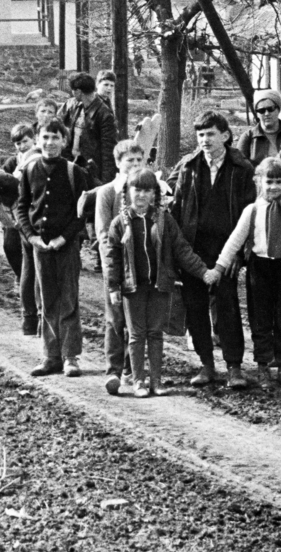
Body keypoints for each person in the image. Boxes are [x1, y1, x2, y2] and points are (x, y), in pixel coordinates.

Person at [167, 110, 256, 389]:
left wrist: (239, 254)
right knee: (195, 308)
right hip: (194, 251)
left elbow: (249, 214)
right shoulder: (188, 166)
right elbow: (178, 209)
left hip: (226, 252)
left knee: (227, 308)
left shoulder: (242, 169)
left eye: (210, 134)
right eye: (200, 135)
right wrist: (181, 254)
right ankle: (206, 364)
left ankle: (234, 367)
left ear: (226, 136)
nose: (204, 140)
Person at [209, 157, 281, 390]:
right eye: (269, 181)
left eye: (278, 181)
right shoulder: (252, 210)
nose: (274, 186)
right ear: (259, 182)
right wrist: (218, 267)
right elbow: (234, 240)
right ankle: (263, 366)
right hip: (260, 269)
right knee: (261, 319)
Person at [105, 170, 208, 398]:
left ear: (155, 193)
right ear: (127, 191)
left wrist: (203, 271)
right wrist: (113, 287)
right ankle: (138, 382)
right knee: (136, 334)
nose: (141, 195)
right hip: (132, 288)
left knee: (155, 333)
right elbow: (112, 258)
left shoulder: (164, 220)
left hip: (159, 286)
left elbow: (181, 249)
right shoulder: (119, 223)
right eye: (137, 189)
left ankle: (156, 381)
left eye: (147, 190)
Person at [15, 120, 92, 377]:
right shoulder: (28, 170)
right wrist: (31, 237)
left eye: (55, 138)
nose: (50, 143)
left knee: (68, 299)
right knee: (46, 300)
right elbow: (22, 207)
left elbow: (82, 215)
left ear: (64, 141)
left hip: (66, 247)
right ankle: (50, 356)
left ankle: (71, 357)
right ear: (37, 140)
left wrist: (65, 238)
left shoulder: (74, 172)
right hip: (40, 246)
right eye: (45, 137)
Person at [94, 140, 148, 395]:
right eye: (130, 161)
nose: (135, 165)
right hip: (116, 266)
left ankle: (133, 369)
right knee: (115, 319)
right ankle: (113, 370)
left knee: (136, 321)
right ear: (118, 163)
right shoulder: (108, 193)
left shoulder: (150, 188)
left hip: (141, 267)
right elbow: (104, 233)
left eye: (139, 160)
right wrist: (110, 270)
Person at [2, 122, 41, 336]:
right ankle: (33, 317)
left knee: (30, 268)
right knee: (32, 268)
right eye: (18, 143)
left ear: (33, 139)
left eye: (25, 141)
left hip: (25, 216)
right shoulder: (22, 163)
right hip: (25, 217)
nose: (22, 146)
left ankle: (31, 319)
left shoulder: (30, 159)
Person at [63, 72, 117, 186]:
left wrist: (106, 184)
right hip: (70, 165)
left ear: (78, 92)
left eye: (73, 90)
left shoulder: (105, 114)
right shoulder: (72, 105)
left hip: (91, 171)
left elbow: (108, 151)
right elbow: (56, 125)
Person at [240, 90, 281, 167]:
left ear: (278, 110)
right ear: (257, 114)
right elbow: (239, 166)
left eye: (270, 109)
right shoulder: (248, 137)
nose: (267, 113)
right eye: (261, 110)